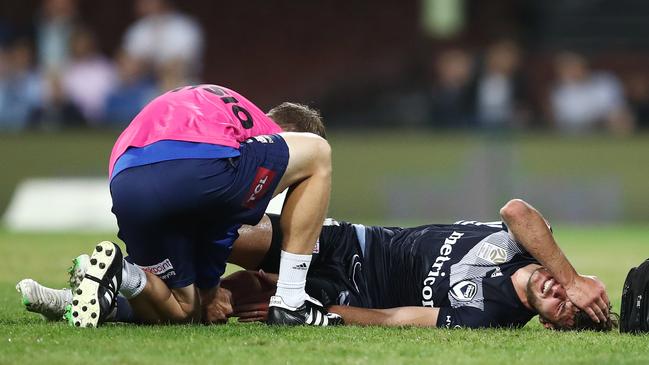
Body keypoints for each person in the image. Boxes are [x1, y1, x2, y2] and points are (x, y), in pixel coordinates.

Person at [21, 199, 613, 330]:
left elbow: (403, 319)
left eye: (564, 309)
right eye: (569, 293)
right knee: (221, 234)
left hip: (342, 287)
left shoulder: (497, 318)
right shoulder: (532, 246)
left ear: (554, 324)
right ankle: (131, 256)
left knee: (209, 309)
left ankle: (107, 283)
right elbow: (517, 209)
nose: (559, 295)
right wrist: (571, 277)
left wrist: (320, 312)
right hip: (344, 244)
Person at [66, 84, 340, 328]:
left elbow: (211, 211)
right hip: (195, 163)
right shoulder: (265, 134)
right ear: (290, 134)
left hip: (125, 180)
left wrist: (205, 295)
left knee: (185, 310)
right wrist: (210, 288)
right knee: (319, 155)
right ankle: (291, 302)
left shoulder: (225, 105)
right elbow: (224, 221)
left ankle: (121, 274)